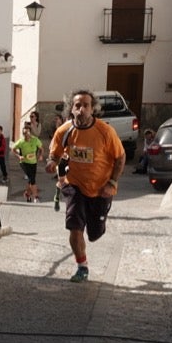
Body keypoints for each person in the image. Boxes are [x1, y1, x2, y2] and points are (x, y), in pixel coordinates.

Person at [45, 90, 126, 283]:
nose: (81, 109)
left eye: (86, 105)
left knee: (94, 234)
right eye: (77, 105)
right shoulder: (64, 131)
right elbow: (54, 155)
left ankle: (98, 225)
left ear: (93, 109)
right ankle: (82, 266)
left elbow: (120, 157)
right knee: (75, 227)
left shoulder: (105, 131)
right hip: (75, 186)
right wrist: (51, 163)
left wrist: (112, 182)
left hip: (101, 189)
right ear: (71, 109)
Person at [13, 124, 45, 202]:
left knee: (31, 179)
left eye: (27, 133)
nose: (26, 135)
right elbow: (13, 149)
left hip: (33, 162)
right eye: (24, 133)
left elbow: (41, 149)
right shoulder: (21, 142)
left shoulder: (35, 140)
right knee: (32, 179)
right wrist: (19, 156)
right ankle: (36, 197)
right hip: (24, 162)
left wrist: (40, 156)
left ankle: (27, 193)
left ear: (30, 133)